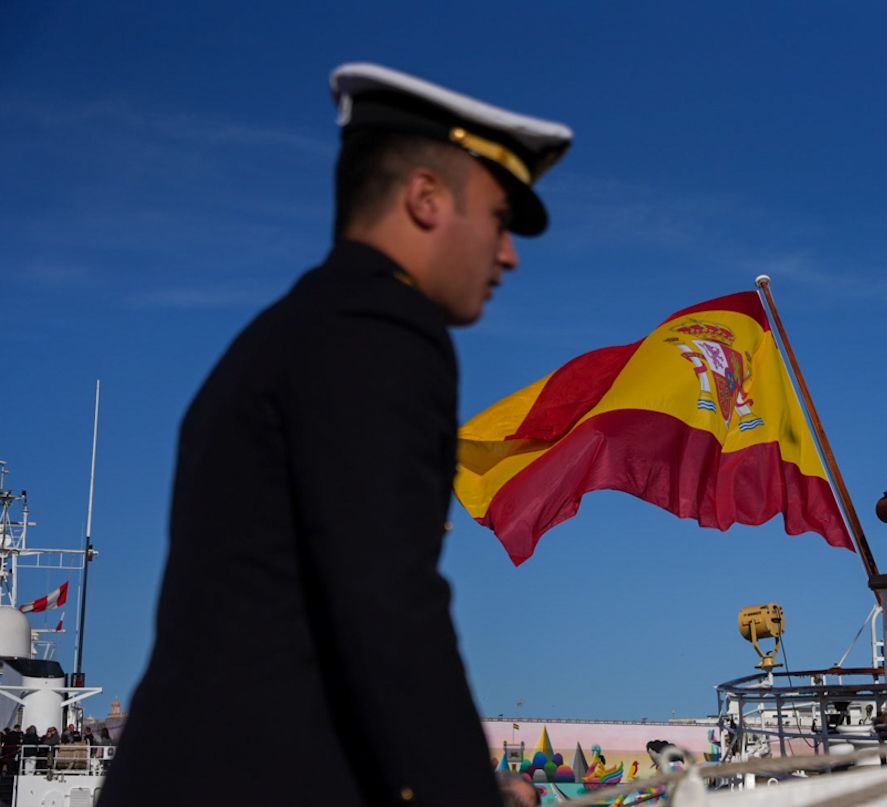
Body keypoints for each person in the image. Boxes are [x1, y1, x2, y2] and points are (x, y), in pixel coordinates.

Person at [99, 63, 572, 807]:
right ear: (425, 198)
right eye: (499, 219)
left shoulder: (280, 335)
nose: (508, 253)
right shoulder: (380, 332)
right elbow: (386, 599)